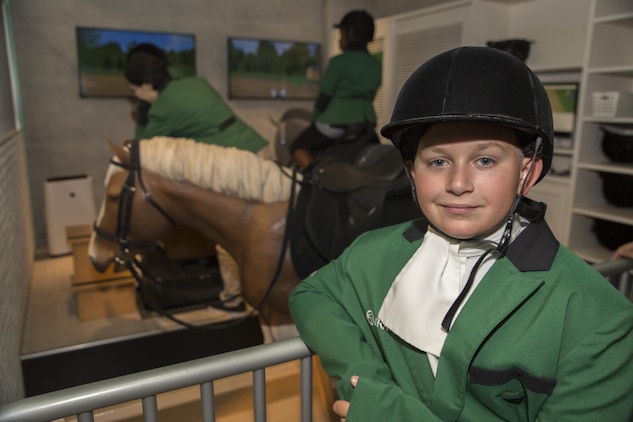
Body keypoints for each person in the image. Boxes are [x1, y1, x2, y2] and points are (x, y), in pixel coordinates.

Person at [289, 46, 633, 421]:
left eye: (485, 160)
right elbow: (312, 292)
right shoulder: (373, 251)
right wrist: (364, 378)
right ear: (411, 173)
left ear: (527, 172)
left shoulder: (600, 321)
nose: (457, 183)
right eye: (438, 161)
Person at [124, 43, 270, 312]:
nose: (132, 94)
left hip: (240, 167)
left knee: (229, 236)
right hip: (262, 151)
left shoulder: (162, 109)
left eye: (133, 89)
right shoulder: (196, 83)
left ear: (144, 84)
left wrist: (143, 110)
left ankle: (234, 298)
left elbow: (141, 150)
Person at [290, 10, 382, 169]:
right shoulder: (375, 64)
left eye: (342, 33)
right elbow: (371, 95)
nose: (340, 38)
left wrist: (315, 120)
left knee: (297, 147)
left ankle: (316, 177)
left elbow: (324, 97)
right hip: (366, 125)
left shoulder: (338, 62)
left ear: (351, 34)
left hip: (336, 124)